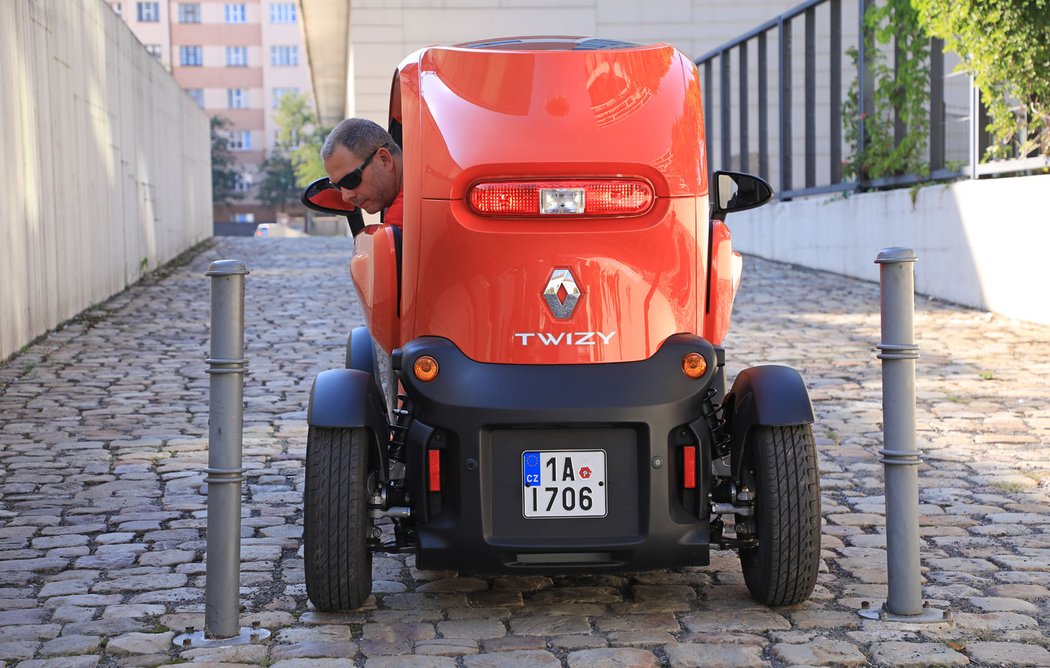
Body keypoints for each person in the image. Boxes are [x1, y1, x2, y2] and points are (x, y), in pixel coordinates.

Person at [321, 118, 404, 227]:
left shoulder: (403, 218)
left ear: (384, 159)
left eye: (350, 180)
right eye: (337, 186)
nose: (345, 197)